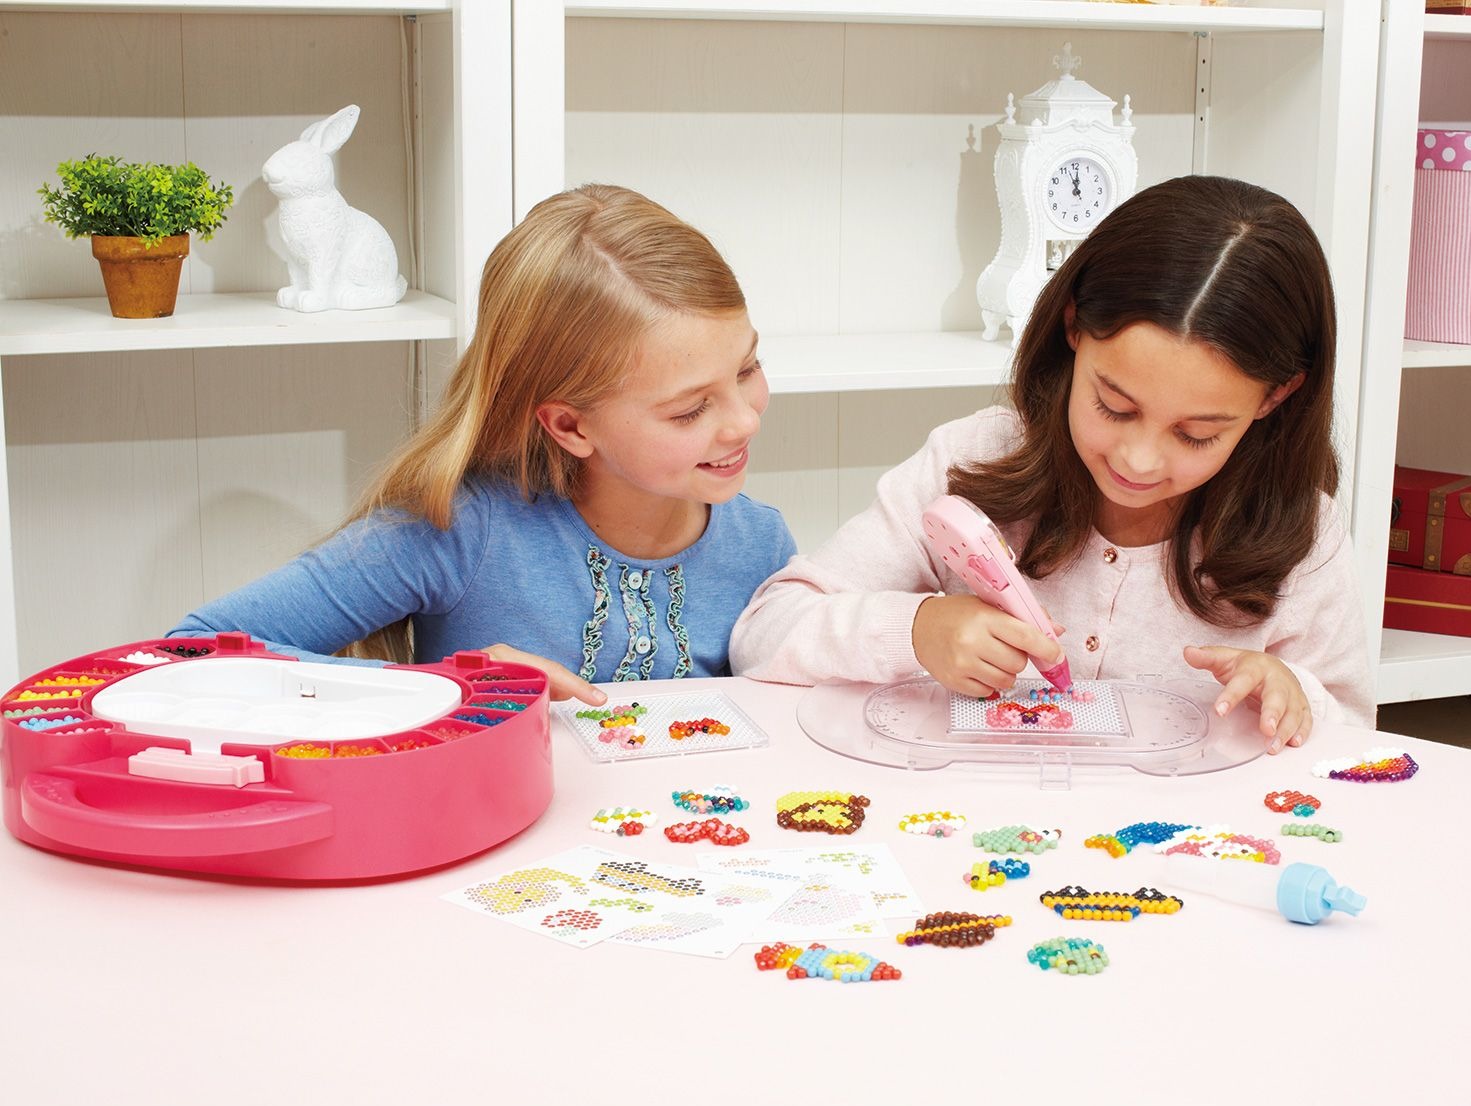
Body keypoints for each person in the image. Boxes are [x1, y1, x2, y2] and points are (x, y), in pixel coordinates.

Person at [731, 175, 1374, 752]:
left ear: (1275, 396)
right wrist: (917, 630)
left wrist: (1296, 697)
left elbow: (1357, 737)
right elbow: (764, 633)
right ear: (1073, 328)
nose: (1138, 460)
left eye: (1196, 434)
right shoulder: (973, 462)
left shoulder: (1302, 536)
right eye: (1114, 406)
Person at [170, 185, 794, 704]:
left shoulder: (762, 543)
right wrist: (450, 686)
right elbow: (185, 653)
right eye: (689, 410)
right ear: (570, 427)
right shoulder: (454, 530)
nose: (744, 422)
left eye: (747, 369)